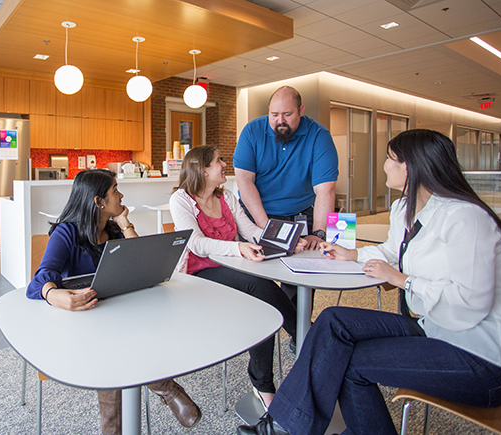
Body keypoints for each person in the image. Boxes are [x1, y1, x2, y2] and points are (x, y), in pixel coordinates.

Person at [238, 129, 501, 435]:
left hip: (483, 357)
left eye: (389, 158)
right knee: (333, 320)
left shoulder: (465, 218)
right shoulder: (404, 208)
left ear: (409, 166)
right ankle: (284, 425)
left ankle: (283, 427)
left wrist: (401, 280)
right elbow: (392, 251)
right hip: (434, 325)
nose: (384, 165)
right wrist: (351, 253)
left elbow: (471, 303)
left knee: (346, 363)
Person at [27, 168, 201, 435]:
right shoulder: (66, 233)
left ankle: (114, 427)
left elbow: (142, 264)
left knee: (130, 337)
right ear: (99, 201)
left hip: (115, 315)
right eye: (115, 190)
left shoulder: (112, 230)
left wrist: (124, 223)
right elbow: (41, 278)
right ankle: (166, 389)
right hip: (81, 321)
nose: (121, 195)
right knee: (118, 348)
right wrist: (54, 294)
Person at [169, 145, 304, 409]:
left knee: (262, 303)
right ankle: (303, 335)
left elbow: (251, 231)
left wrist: (284, 243)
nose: (224, 164)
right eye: (218, 161)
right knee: (260, 286)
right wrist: (238, 247)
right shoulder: (181, 200)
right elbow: (195, 243)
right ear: (202, 170)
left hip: (234, 270)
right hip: (198, 277)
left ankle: (265, 382)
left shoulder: (227, 197)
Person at [233, 85, 338, 305]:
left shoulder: (319, 136)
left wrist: (318, 233)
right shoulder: (252, 131)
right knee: (256, 281)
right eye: (274, 115)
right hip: (258, 216)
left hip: (300, 215)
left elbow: (325, 190)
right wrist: (266, 228)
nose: (280, 120)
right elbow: (245, 181)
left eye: (287, 114)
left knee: (299, 282)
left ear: (301, 110)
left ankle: (297, 335)